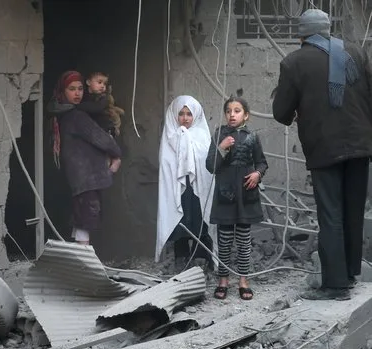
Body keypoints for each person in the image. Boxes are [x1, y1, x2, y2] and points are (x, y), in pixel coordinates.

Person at [272, 9, 372, 301]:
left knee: (330, 215)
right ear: (328, 29)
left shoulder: (294, 62)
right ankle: (350, 274)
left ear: (302, 34)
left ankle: (335, 285)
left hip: (325, 148)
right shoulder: (356, 53)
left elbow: (281, 113)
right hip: (361, 146)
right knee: (352, 211)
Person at [48, 70, 122, 245]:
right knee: (86, 221)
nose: (77, 93)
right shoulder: (76, 116)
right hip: (86, 177)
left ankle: (80, 260)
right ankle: (86, 262)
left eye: (80, 88)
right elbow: (99, 137)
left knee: (80, 220)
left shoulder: (62, 112)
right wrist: (117, 154)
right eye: (72, 89)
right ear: (63, 91)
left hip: (77, 176)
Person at [206, 96, 268, 301]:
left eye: (237, 110)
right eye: (229, 111)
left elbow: (262, 162)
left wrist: (258, 174)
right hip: (225, 196)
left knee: (243, 241)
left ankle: (243, 280)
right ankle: (223, 280)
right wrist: (222, 147)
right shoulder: (219, 135)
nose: (232, 114)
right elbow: (210, 166)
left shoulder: (252, 137)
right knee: (224, 242)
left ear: (246, 115)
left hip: (245, 196)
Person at [155, 95, 215, 270]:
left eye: (189, 114)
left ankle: (202, 258)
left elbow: (207, 163)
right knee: (180, 221)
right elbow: (166, 165)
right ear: (175, 115)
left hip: (198, 187)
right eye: (181, 113)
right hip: (178, 187)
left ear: (195, 115)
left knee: (199, 218)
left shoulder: (202, 136)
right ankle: (181, 258)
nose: (185, 118)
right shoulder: (170, 135)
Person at [78, 71, 125, 174]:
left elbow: (96, 108)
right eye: (99, 82)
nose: (102, 86)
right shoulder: (85, 97)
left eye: (104, 84)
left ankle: (115, 160)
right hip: (96, 131)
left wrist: (77, 107)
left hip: (106, 129)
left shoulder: (104, 98)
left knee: (106, 153)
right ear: (88, 82)